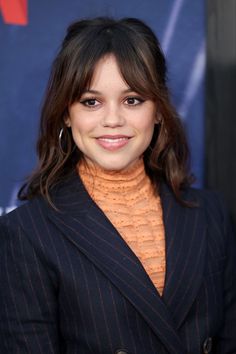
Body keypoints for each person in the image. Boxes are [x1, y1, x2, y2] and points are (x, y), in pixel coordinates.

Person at [0, 17, 235, 354]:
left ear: (158, 111)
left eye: (132, 100)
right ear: (67, 113)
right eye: (91, 102)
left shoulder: (210, 215)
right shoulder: (25, 234)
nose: (112, 120)